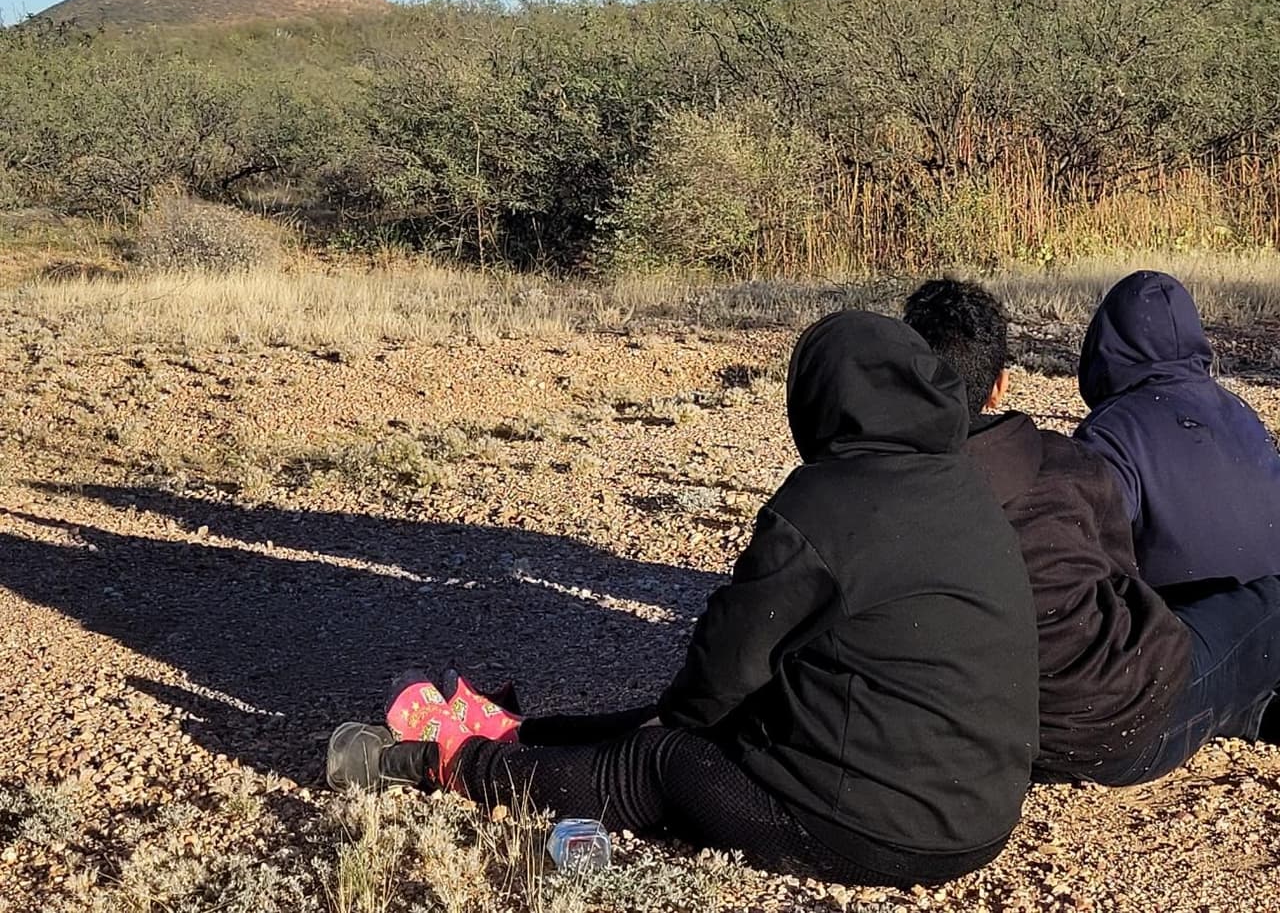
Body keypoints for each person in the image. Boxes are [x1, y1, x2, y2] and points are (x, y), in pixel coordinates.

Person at [328, 312, 1040, 889]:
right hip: (982, 813)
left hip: (879, 832)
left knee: (660, 761)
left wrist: (665, 729)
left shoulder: (824, 506)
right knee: (698, 719)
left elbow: (722, 672)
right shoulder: (963, 486)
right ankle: (526, 735)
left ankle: (442, 764)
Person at [905, 276, 1280, 786]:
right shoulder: (1239, 411)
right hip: (1226, 629)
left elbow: (1095, 566)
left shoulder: (1108, 434)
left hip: (1158, 648)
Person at [1075, 270, 1280, 590]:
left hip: (1185, 616)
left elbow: (1076, 556)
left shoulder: (1109, 434)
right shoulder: (1241, 413)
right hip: (1268, 607)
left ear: (1103, 343)